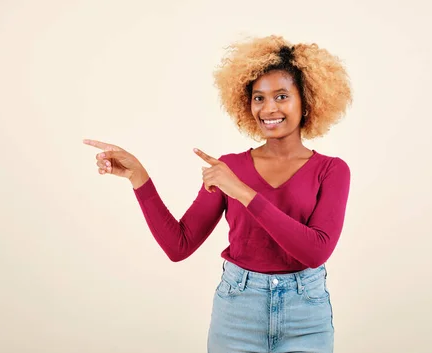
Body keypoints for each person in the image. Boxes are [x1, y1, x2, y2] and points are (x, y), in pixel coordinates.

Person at [83, 35, 352, 353]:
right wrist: (139, 177)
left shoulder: (331, 170)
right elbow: (178, 246)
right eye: (258, 98)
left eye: (281, 96)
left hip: (306, 315)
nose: (268, 109)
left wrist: (241, 190)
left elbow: (315, 252)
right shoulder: (229, 167)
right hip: (238, 311)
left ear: (307, 101)